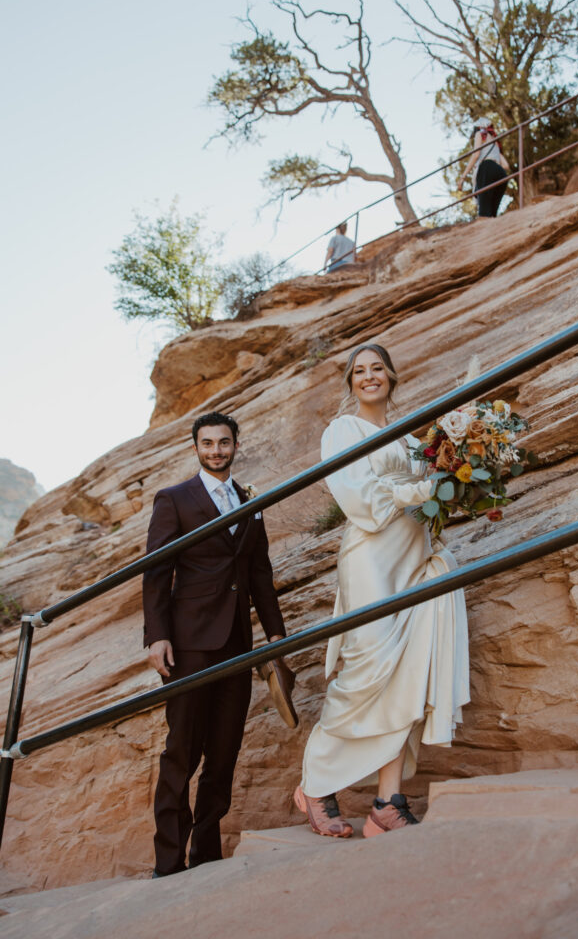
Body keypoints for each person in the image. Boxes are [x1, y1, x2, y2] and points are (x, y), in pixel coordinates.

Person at [294, 344, 469, 838]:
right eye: (359, 371)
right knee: (366, 672)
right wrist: (426, 487)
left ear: (392, 377)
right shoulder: (342, 431)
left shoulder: (415, 443)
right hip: (371, 559)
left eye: (377, 369)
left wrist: (459, 483)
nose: (369, 377)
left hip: (413, 558)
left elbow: (429, 505)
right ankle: (315, 785)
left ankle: (387, 803)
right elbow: (363, 502)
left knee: (406, 675)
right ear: (351, 382)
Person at [143, 411, 297, 877]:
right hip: (188, 643)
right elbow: (156, 570)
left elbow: (259, 575)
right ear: (196, 448)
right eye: (207, 443)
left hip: (238, 645)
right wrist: (157, 635)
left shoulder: (249, 501)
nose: (216, 450)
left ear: (235, 445)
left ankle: (205, 852)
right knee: (182, 751)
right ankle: (168, 863)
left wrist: (275, 638)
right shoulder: (174, 499)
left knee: (225, 750)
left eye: (223, 442)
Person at [457, 117, 511, 218]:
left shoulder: (480, 134)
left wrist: (462, 177)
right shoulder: (495, 142)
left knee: (484, 214)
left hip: (486, 168)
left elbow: (476, 154)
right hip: (501, 174)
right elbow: (506, 166)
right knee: (492, 214)